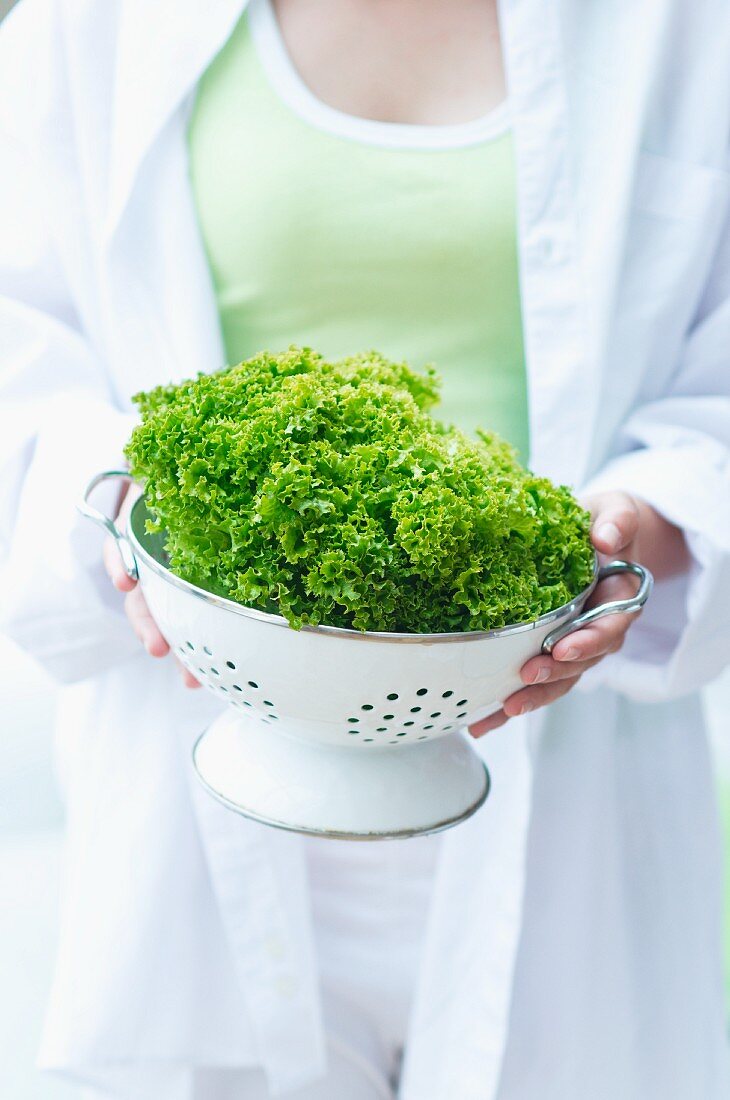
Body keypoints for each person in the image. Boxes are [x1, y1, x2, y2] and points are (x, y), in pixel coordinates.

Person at [1, 0, 729, 1097]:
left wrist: (644, 520)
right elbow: (22, 351)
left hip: (568, 772)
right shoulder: (88, 23)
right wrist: (124, 513)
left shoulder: (685, 26)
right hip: (197, 762)